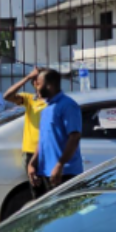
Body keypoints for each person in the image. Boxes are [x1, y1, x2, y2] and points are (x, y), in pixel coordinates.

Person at [28, 70, 83, 199]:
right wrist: (32, 163)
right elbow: (43, 140)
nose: (36, 87)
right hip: (47, 172)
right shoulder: (47, 108)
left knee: (67, 214)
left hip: (64, 173)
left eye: (39, 83)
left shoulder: (68, 105)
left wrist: (60, 164)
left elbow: (74, 137)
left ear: (50, 85)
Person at [3, 67, 48, 197]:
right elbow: (7, 96)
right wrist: (27, 77)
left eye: (39, 79)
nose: (36, 82)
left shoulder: (53, 102)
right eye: (34, 80)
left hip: (48, 151)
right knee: (37, 193)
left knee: (51, 192)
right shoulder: (30, 100)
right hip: (31, 152)